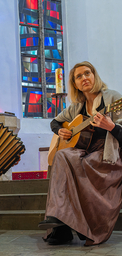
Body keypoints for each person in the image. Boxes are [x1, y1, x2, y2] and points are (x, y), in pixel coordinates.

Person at [39, 61, 122, 246]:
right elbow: (55, 122)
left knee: (75, 162)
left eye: (87, 73)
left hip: (107, 156)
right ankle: (59, 223)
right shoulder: (77, 107)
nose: (84, 78)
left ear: (94, 75)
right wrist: (60, 131)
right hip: (85, 153)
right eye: (79, 76)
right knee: (61, 156)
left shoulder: (113, 99)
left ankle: (80, 226)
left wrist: (112, 126)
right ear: (75, 84)